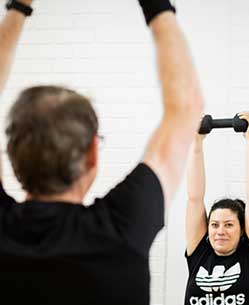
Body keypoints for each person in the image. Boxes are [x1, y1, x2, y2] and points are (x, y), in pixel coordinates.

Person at [0, 1, 203, 304]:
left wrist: (18, 7)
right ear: (93, 154)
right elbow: (186, 107)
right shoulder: (122, 229)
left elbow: (186, 108)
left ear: (13, 157)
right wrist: (156, 5)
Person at [184, 112, 249, 305]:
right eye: (214, 225)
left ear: (242, 230)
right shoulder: (199, 254)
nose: (220, 231)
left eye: (229, 225)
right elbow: (194, 198)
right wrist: (196, 143)